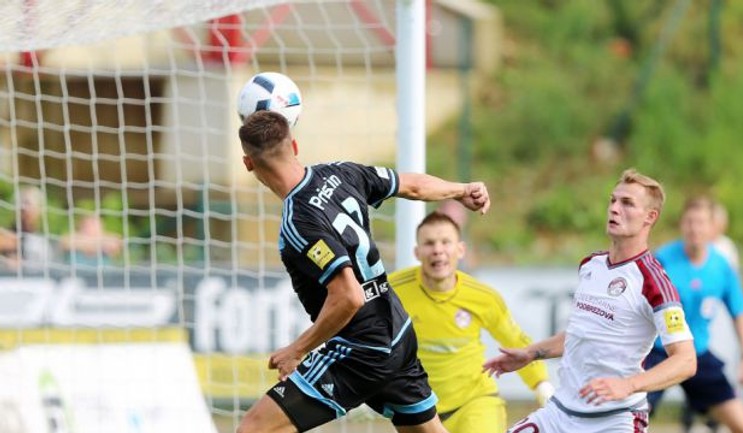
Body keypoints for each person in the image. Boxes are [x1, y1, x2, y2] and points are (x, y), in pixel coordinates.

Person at [235, 110, 491, 433]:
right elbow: (411, 185)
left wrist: (295, 350)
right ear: (295, 146)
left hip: (360, 349)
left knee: (254, 429)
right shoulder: (341, 173)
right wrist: (461, 189)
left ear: (248, 163)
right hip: (397, 331)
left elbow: (349, 296)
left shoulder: (297, 222)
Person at [483, 168, 696, 433]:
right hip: (559, 414)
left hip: (615, 420)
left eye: (627, 203)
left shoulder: (653, 282)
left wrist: (628, 385)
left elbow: (686, 361)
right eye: (613, 200)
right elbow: (579, 333)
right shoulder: (591, 264)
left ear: (650, 217)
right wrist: (530, 354)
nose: (615, 209)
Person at [389, 211, 554, 433]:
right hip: (419, 411)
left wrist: (541, 386)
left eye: (445, 242)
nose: (438, 250)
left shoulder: (482, 296)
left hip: (475, 402)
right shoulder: (392, 290)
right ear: (417, 252)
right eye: (429, 243)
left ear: (460, 250)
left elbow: (516, 341)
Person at [644, 196, 743, 433]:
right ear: (682, 225)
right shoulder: (663, 259)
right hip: (658, 353)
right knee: (627, 422)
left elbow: (740, 312)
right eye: (689, 222)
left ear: (712, 227)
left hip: (697, 355)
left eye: (701, 222)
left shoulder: (721, 266)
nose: (695, 228)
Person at [0, 186, 55, 269]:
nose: (25, 209)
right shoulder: (5, 236)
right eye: (21, 203)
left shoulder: (42, 243)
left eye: (28, 204)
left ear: (39, 210)